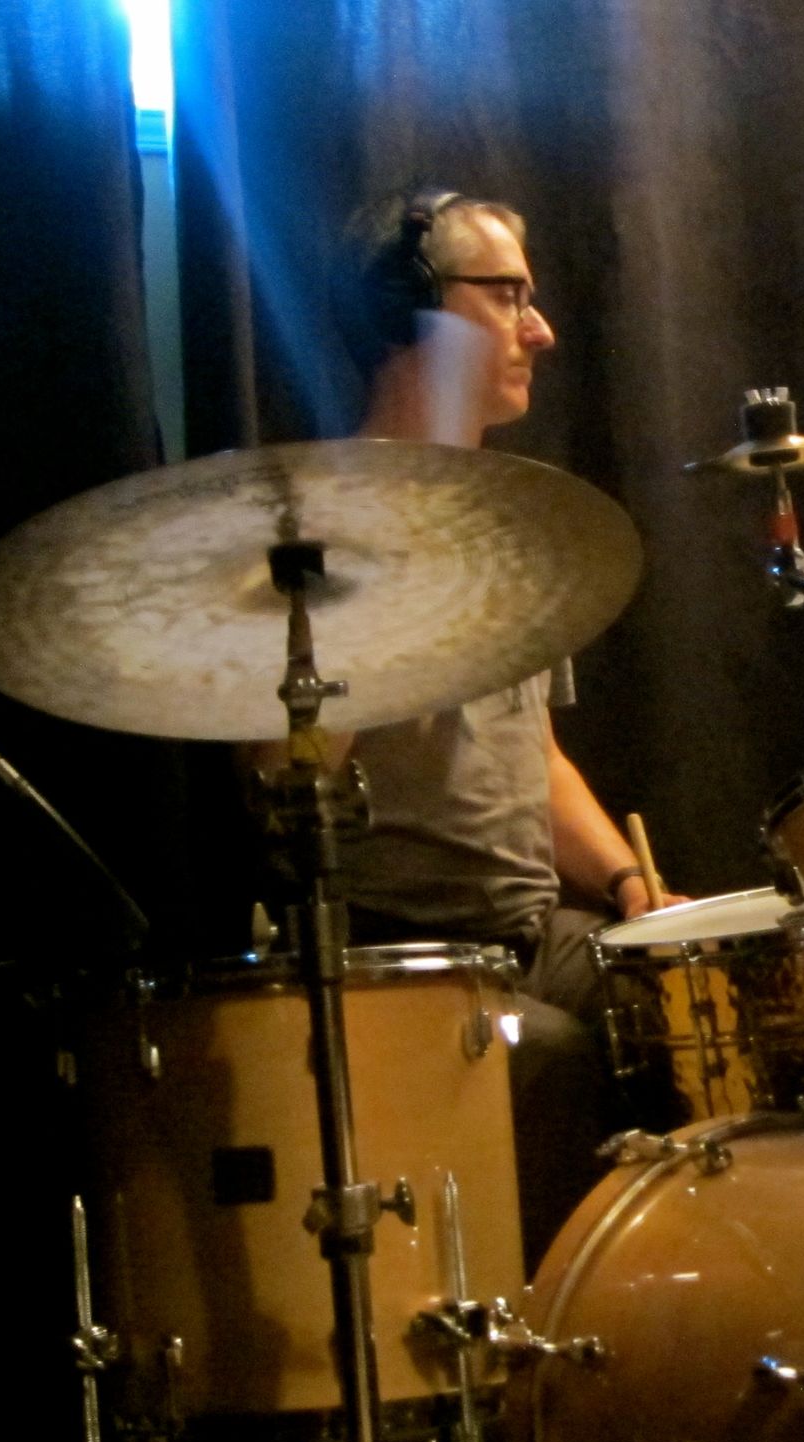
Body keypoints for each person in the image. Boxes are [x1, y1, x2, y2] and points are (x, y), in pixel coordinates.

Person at [319, 186, 685, 1268]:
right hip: (399, 949)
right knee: (558, 1058)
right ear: (414, 309)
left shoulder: (516, 520)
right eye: (509, 296)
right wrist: (376, 609)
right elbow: (272, 774)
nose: (543, 329)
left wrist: (628, 883)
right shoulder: (326, 527)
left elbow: (540, 757)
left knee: (715, 997)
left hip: (533, 931)